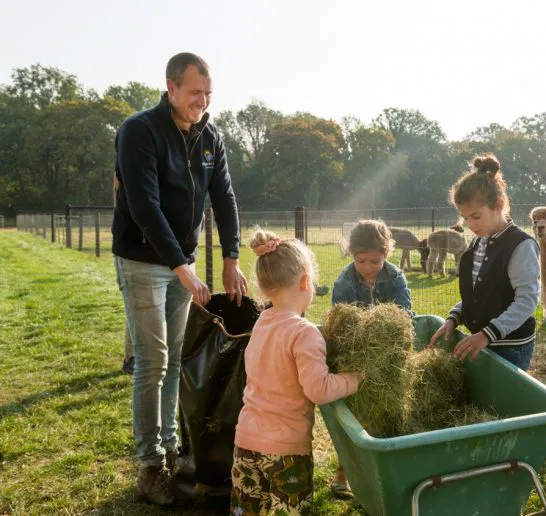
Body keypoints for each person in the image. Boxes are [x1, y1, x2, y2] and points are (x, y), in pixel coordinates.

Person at [111, 52, 248, 505]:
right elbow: (142, 204)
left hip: (180, 264)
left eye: (209, 94)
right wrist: (180, 265)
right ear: (170, 87)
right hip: (143, 259)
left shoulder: (210, 135)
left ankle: (171, 448)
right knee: (153, 361)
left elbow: (223, 197)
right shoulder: (140, 131)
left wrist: (230, 256)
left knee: (174, 362)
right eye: (194, 94)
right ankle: (150, 467)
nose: (203, 102)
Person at [232, 229, 360, 515]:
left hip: (246, 441)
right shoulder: (305, 333)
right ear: (305, 282)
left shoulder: (262, 322)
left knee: (249, 510)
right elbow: (319, 389)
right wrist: (355, 378)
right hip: (286, 452)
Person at [427, 153, 540, 370]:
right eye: (465, 217)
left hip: (510, 347)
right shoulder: (479, 241)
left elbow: (526, 301)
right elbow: (478, 294)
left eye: (476, 216)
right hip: (483, 341)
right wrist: (454, 318)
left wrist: (487, 335)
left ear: (498, 204)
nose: (470, 224)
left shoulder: (520, 245)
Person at [328, 219, 412, 498]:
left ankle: (390, 465)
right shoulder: (344, 281)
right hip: (357, 357)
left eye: (374, 261)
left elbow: (404, 314)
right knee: (357, 412)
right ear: (352, 255)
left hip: (389, 356)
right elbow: (340, 323)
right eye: (360, 260)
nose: (367, 268)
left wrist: (388, 335)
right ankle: (345, 471)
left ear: (386, 253)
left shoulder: (395, 276)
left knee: (391, 407)